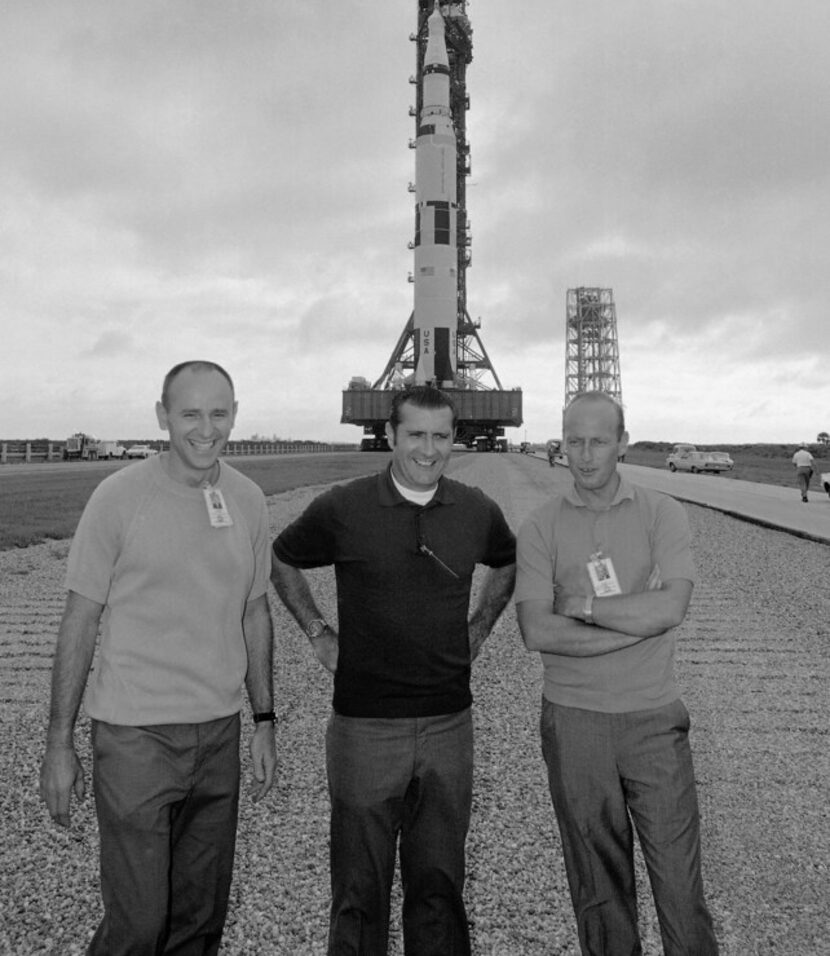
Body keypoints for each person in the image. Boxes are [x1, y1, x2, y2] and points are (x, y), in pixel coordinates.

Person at [39, 360, 277, 956]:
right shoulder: (119, 497)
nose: (205, 428)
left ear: (235, 416)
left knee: (198, 921)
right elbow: (81, 619)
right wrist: (58, 744)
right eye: (190, 413)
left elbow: (254, 613)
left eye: (218, 413)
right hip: (135, 738)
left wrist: (265, 721)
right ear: (162, 416)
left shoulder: (246, 500)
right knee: (140, 926)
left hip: (218, 733)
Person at [270, 383, 516, 956]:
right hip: (364, 729)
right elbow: (281, 559)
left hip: (448, 725)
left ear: (454, 438)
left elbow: (507, 562)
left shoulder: (476, 509)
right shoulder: (345, 506)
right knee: (359, 891)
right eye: (415, 436)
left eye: (440, 436)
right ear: (390, 436)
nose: (428, 450)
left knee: (438, 888)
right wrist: (317, 631)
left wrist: (478, 628)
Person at [515, 391, 718, 956]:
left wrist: (580, 606)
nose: (585, 455)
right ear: (561, 444)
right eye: (574, 441)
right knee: (599, 895)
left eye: (599, 441)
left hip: (653, 720)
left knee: (681, 890)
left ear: (622, 443)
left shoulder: (661, 513)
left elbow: (670, 609)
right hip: (574, 725)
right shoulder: (539, 528)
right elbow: (537, 632)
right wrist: (637, 619)